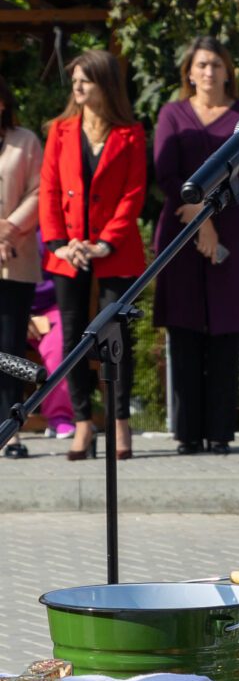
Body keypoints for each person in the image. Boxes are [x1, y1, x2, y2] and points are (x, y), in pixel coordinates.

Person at [150, 37, 239, 456]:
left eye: (216, 64)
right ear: (189, 72)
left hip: (232, 228)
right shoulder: (172, 114)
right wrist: (200, 220)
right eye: (201, 65)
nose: (209, 72)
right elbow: (164, 170)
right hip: (180, 229)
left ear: (228, 71)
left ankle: (219, 433)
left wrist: (210, 221)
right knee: (183, 332)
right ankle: (187, 434)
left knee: (225, 334)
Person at [38, 49, 147, 460]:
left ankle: (119, 421)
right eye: (75, 79)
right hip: (68, 250)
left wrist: (106, 242)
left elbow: (133, 193)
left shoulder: (131, 133)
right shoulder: (60, 130)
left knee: (115, 336)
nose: (77, 86)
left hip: (114, 248)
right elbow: (49, 189)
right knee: (72, 337)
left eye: (86, 79)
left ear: (106, 84)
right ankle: (82, 422)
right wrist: (59, 244)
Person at [0, 73, 39, 458]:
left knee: (10, 347)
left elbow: (40, 191)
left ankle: (10, 430)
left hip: (16, 259)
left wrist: (9, 229)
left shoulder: (26, 140)